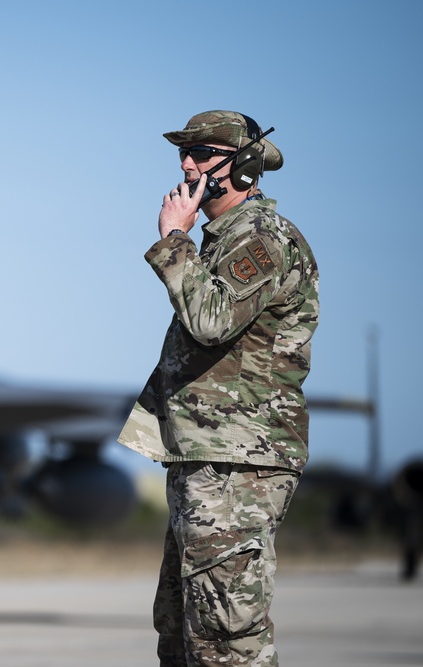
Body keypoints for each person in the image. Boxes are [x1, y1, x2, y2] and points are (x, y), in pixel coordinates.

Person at [116, 110, 319, 666]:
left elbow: (210, 321)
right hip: (206, 456)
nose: (188, 164)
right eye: (185, 153)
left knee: (226, 637)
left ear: (245, 164)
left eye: (203, 154)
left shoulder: (261, 239)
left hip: (238, 459)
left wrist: (174, 240)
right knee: (183, 632)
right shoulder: (223, 241)